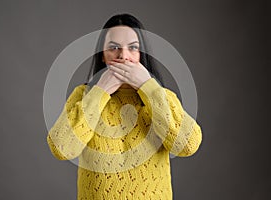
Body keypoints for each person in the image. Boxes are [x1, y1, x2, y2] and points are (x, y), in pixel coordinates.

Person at [46, 13, 202, 200]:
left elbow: (187, 145)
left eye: (133, 48)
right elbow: (62, 149)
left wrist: (149, 87)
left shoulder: (161, 96)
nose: (123, 56)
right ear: (102, 55)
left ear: (141, 55)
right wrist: (99, 92)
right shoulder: (84, 96)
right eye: (113, 48)